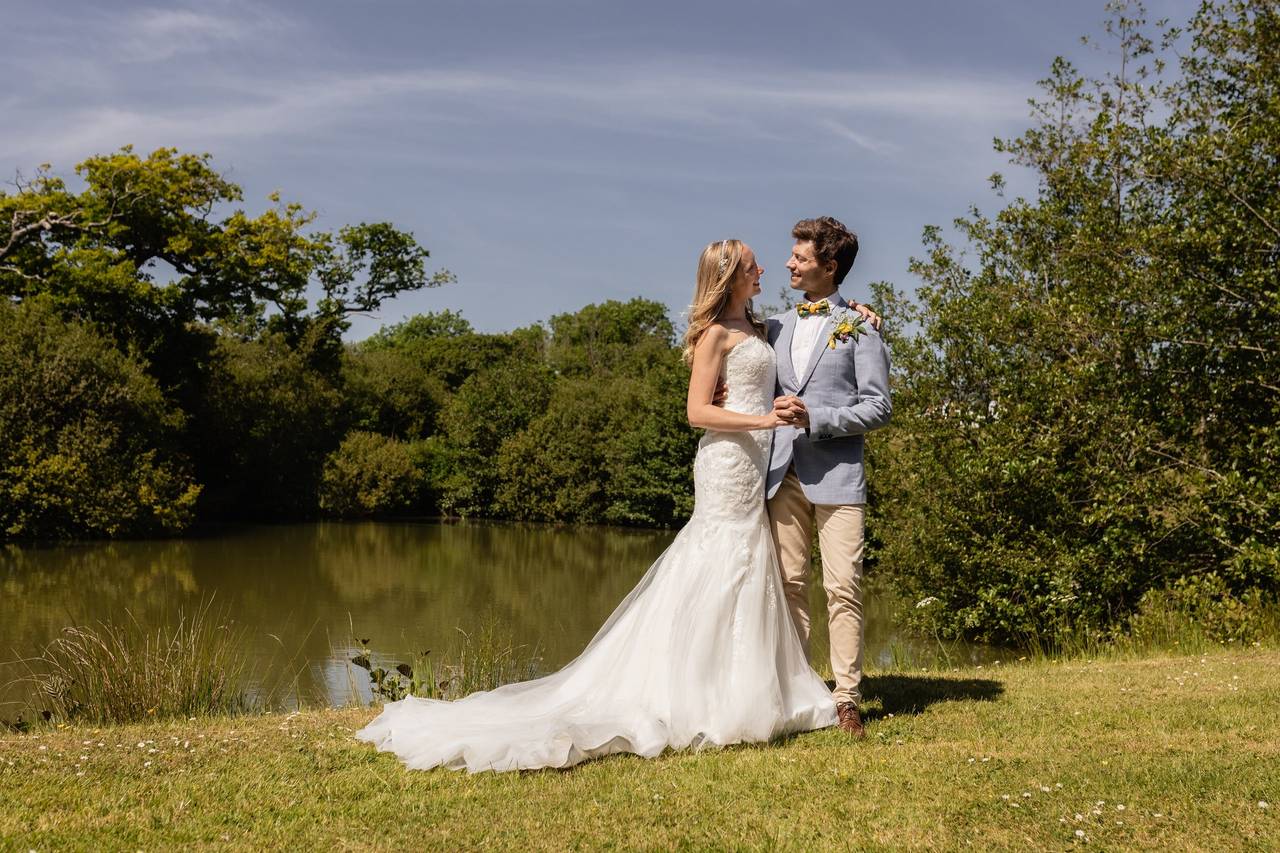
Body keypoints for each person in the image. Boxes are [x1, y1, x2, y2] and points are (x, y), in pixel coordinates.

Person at [356, 239, 837, 773]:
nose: (763, 268)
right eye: (753, 265)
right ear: (730, 276)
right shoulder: (715, 336)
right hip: (726, 462)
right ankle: (694, 694)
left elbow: (814, 322)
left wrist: (854, 311)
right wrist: (763, 421)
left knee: (749, 565)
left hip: (757, 470)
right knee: (719, 560)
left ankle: (745, 690)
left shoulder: (763, 328)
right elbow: (697, 413)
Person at [766, 216, 892, 738]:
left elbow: (880, 407)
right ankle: (797, 694)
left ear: (829, 265)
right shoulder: (773, 326)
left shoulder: (860, 327)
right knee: (788, 586)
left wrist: (816, 419)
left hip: (838, 475)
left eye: (800, 256)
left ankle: (846, 700)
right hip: (779, 475)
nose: (790, 263)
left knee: (844, 588)